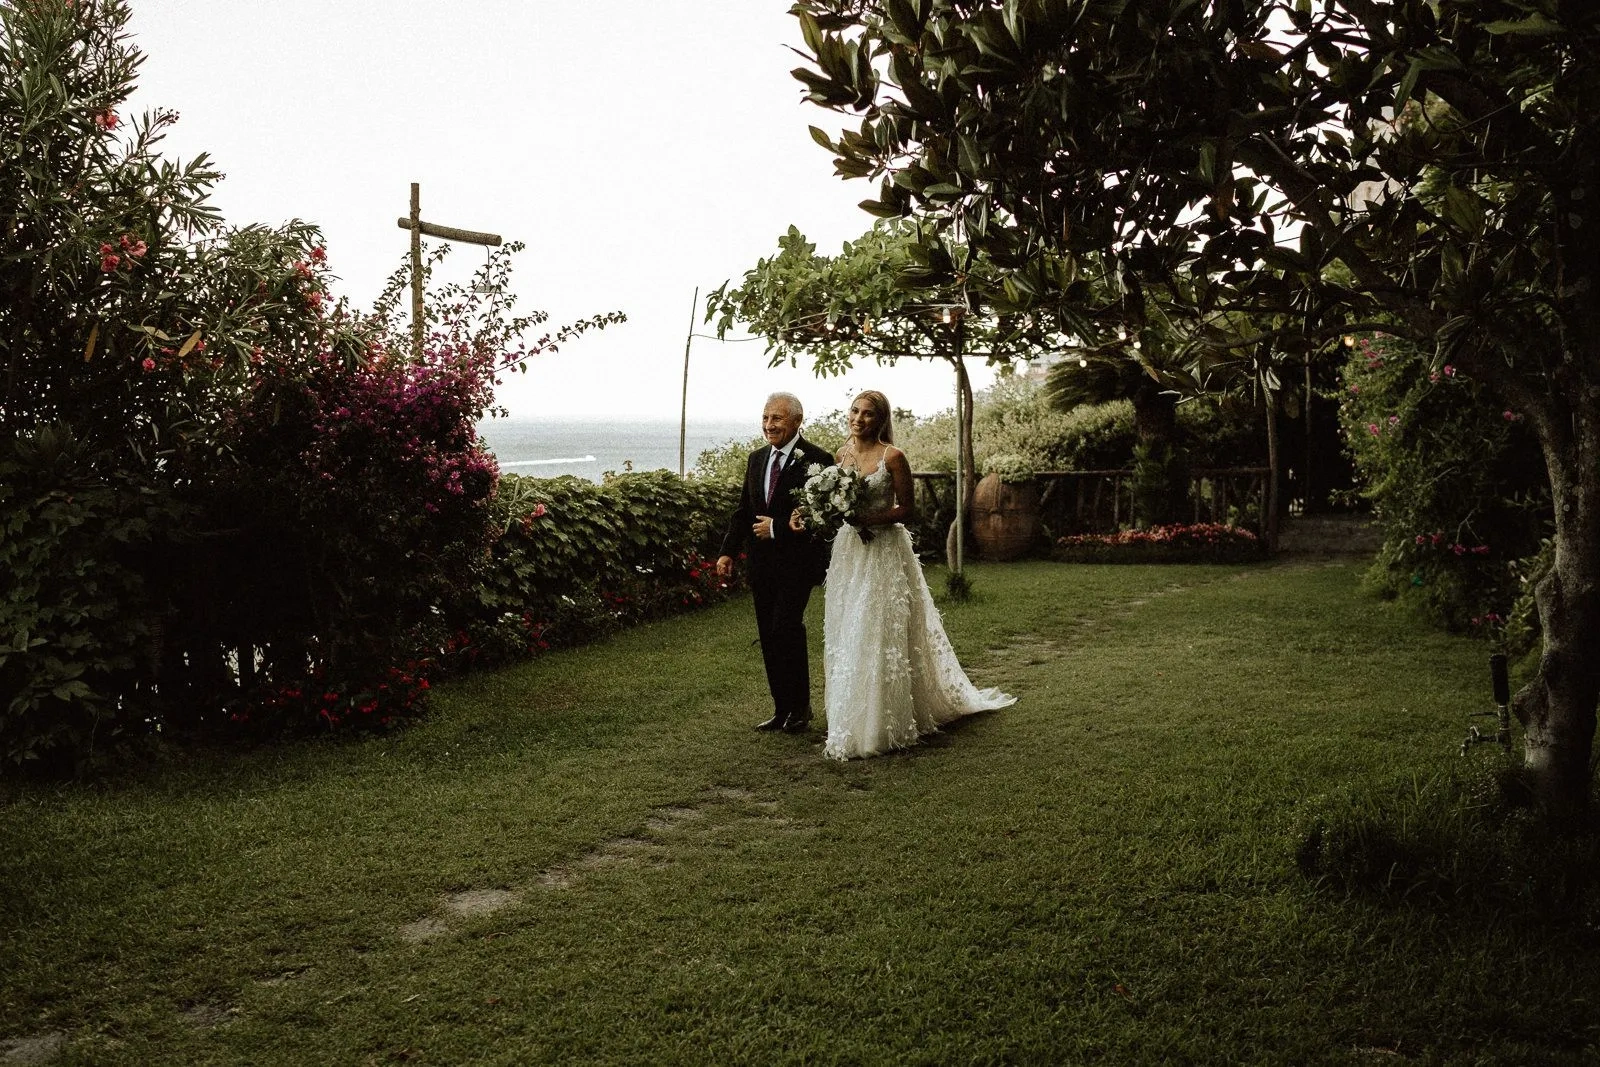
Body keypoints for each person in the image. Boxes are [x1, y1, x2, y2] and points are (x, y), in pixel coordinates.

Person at [793, 390, 1015, 760]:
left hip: (883, 552)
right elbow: (834, 502)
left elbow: (908, 510)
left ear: (880, 420)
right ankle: (851, 714)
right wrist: (826, 514)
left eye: (867, 414)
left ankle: (883, 723)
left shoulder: (893, 456)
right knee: (849, 628)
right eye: (854, 411)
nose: (858, 419)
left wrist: (867, 518)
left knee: (877, 627)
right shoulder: (841, 455)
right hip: (849, 553)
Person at [716, 392, 835, 733]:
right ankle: (781, 709)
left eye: (777, 419)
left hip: (797, 565)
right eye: (766, 418)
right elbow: (743, 511)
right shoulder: (756, 459)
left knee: (786, 629)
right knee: (769, 636)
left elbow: (820, 516)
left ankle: (800, 708)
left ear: (797, 421)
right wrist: (727, 550)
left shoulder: (818, 460)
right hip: (761, 566)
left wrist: (778, 528)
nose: (769, 425)